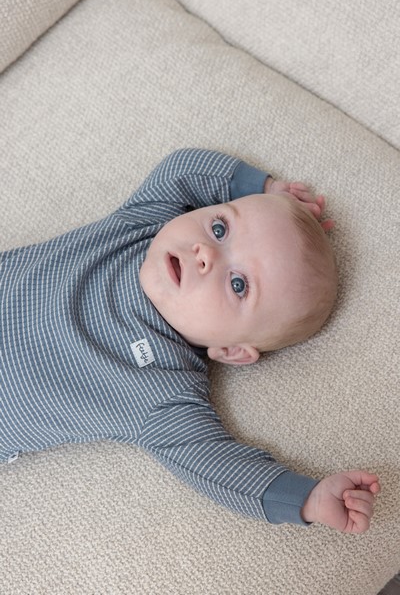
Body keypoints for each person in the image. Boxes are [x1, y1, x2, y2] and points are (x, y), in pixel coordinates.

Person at [0, 148, 380, 533]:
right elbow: (179, 170)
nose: (205, 254)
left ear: (231, 350)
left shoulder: (165, 394)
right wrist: (262, 187)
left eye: (238, 284)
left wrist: (307, 500)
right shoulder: (144, 223)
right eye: (220, 229)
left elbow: (216, 466)